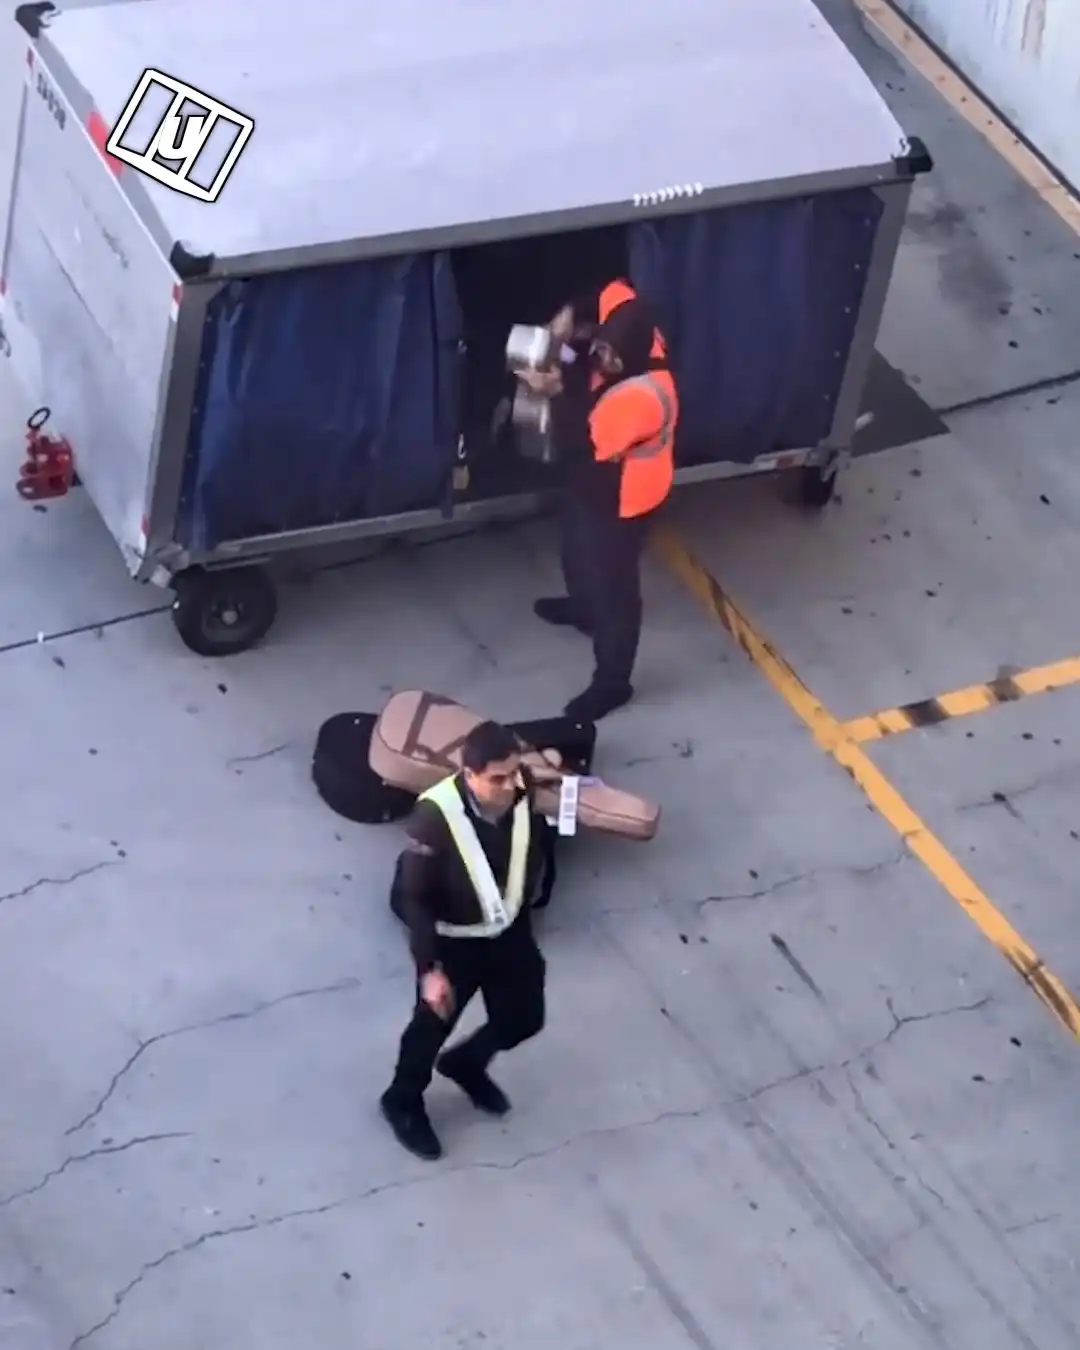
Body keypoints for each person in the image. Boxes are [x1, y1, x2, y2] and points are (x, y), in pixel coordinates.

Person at [381, 720, 549, 1160]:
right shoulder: (433, 818)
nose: (511, 784)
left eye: (515, 772)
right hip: (454, 942)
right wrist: (429, 970)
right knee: (430, 1028)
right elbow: (415, 899)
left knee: (525, 1017)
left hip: (508, 929)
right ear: (469, 774)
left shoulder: (521, 785)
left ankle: (466, 1062)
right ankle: (402, 1101)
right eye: (498, 778)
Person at [519, 279, 678, 722]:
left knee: (615, 591)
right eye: (602, 349)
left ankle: (613, 682)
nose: (601, 358)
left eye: (610, 356)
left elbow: (581, 444)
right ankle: (581, 608)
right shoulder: (632, 321)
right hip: (590, 485)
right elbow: (608, 291)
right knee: (574, 550)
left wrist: (551, 392)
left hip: (621, 497)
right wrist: (572, 309)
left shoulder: (638, 400)